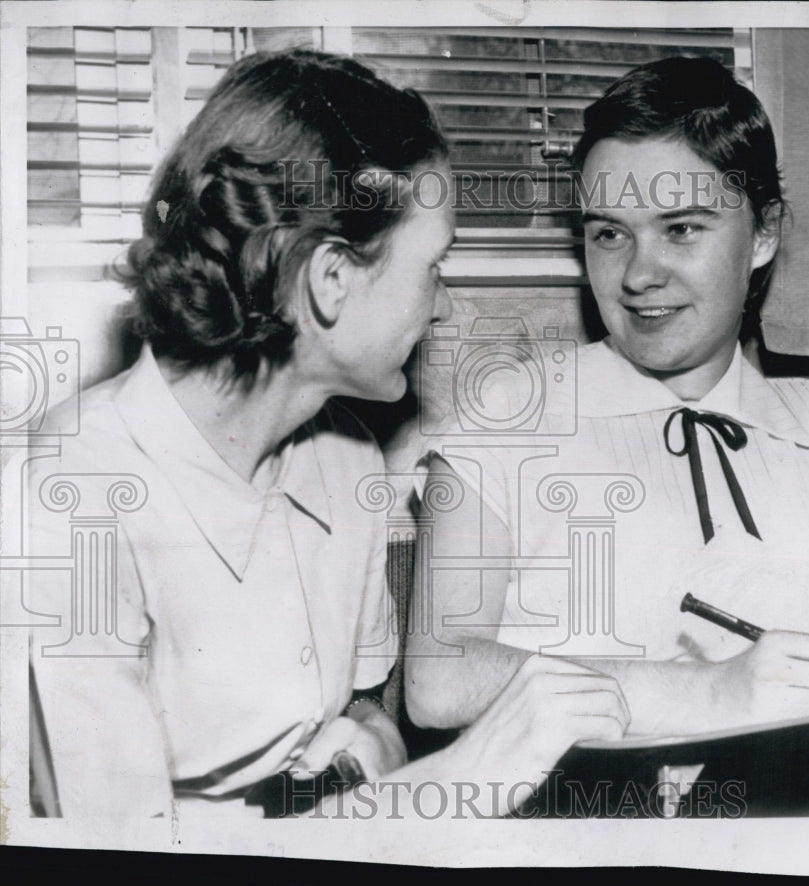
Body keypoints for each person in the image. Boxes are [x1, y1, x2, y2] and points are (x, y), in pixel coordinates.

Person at [26, 48, 628, 822]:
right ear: (332, 277)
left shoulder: (345, 455)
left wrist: (375, 747)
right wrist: (473, 770)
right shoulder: (70, 493)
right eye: (434, 266)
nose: (441, 309)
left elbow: (366, 715)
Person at [405, 57, 809, 738]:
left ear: (764, 233)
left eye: (681, 229)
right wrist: (706, 693)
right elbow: (438, 679)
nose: (640, 275)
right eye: (609, 234)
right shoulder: (510, 411)